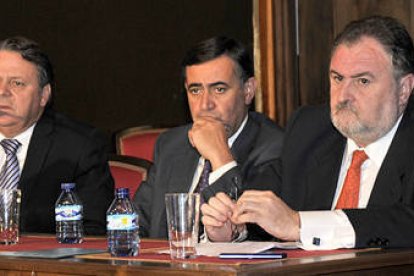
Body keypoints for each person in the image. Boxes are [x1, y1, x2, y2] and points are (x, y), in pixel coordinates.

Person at [202, 15, 414, 249]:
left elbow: (405, 223)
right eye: (337, 78)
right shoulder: (310, 130)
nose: (343, 96)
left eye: (362, 81)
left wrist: (300, 224)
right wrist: (234, 227)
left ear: (404, 89)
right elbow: (263, 206)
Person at [133, 36, 284, 239]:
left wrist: (220, 155)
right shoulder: (171, 144)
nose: (205, 105)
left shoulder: (274, 147)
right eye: (195, 90)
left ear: (248, 91)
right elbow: (137, 224)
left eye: (219, 89)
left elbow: (252, 230)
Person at [0, 36, 114, 235]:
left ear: (44, 95)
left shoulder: (79, 147)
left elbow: (92, 231)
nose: (2, 92)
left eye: (17, 83)